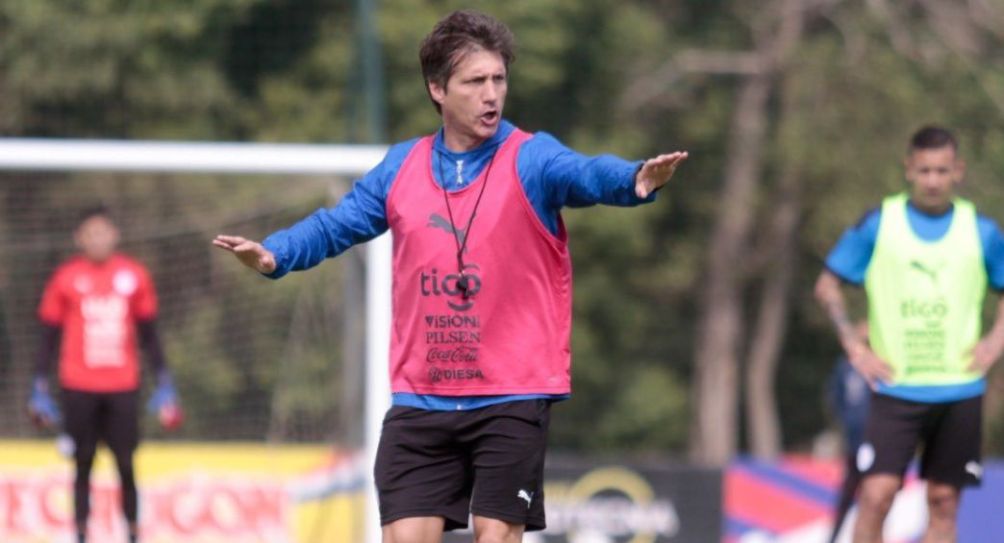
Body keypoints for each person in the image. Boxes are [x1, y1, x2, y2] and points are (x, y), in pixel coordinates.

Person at [214, 10, 687, 543]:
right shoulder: (401, 167)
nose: (491, 95)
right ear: (437, 89)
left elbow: (584, 172)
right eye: (475, 82)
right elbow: (335, 225)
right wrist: (275, 254)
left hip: (511, 396)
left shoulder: (531, 158)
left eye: (498, 79)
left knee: (496, 534)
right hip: (422, 398)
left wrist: (633, 179)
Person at [814, 126, 1004, 543]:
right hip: (894, 388)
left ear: (958, 171)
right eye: (924, 171)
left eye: (941, 170)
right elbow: (827, 285)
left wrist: (996, 341)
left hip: (959, 388)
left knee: (943, 501)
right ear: (909, 170)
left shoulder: (982, 230)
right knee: (877, 496)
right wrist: (855, 347)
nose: (933, 180)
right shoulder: (879, 223)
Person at [28, 205, 180, 543]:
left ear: (115, 234)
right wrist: (39, 384)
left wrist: (164, 381)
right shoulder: (65, 278)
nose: (98, 239)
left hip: (123, 385)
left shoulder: (134, 275)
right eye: (90, 233)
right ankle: (80, 533)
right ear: (79, 238)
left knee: (126, 463)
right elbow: (48, 337)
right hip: (78, 385)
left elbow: (149, 334)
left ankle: (133, 532)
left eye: (103, 232)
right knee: (82, 463)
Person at [825, 321, 870, 543]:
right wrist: (845, 422)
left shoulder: (879, 366)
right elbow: (835, 397)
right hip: (854, 442)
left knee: (875, 497)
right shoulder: (844, 366)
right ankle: (833, 537)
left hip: (876, 443)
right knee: (847, 494)